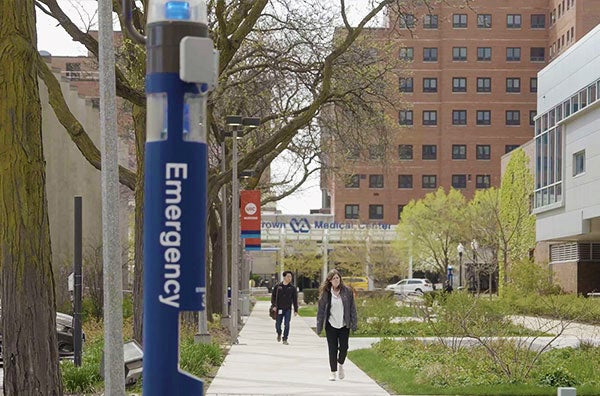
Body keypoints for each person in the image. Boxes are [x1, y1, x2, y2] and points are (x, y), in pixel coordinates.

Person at [316, 269, 357, 381]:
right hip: (331, 325)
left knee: (344, 348)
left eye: (337, 278)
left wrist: (354, 323)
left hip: (344, 325)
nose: (336, 280)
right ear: (329, 280)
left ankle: (341, 364)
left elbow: (352, 308)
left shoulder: (347, 291)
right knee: (332, 349)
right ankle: (333, 372)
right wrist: (319, 327)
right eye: (333, 278)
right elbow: (320, 311)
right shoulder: (326, 293)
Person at [271, 270, 298, 345]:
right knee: (278, 324)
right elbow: (273, 297)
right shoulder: (278, 286)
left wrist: (296, 310)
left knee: (287, 324)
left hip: (288, 309)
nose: (290, 278)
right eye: (288, 276)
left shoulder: (292, 288)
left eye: (291, 277)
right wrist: (274, 306)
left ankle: (285, 338)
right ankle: (279, 333)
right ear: (284, 277)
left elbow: (295, 299)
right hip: (279, 308)